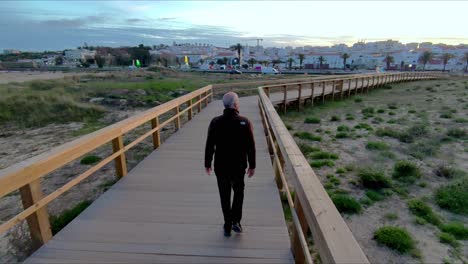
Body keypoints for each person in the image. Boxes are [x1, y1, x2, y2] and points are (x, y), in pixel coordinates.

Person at [204, 92, 256, 237]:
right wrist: (252, 165)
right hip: (238, 166)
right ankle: (236, 222)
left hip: (221, 166)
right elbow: (250, 146)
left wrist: (207, 163)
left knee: (224, 195)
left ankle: (227, 224)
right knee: (239, 193)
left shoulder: (215, 122)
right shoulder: (245, 122)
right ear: (235, 105)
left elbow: (210, 145)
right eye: (238, 102)